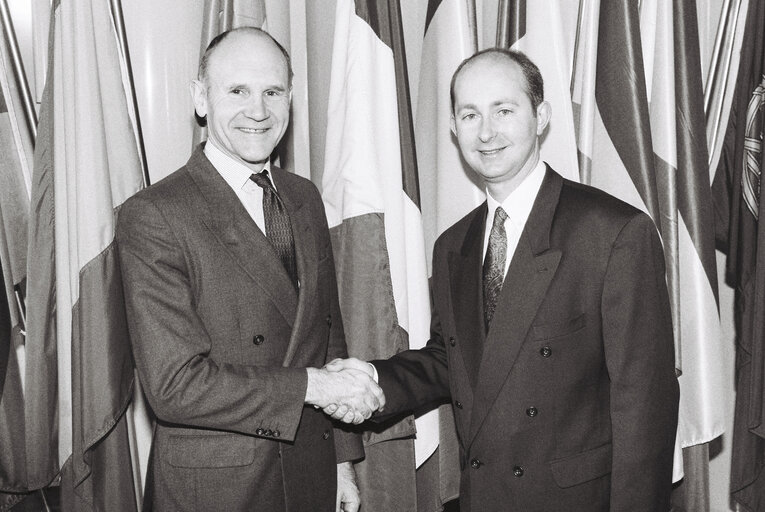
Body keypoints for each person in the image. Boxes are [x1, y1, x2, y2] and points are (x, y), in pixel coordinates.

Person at [327, 48, 680, 511]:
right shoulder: (454, 244)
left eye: (504, 110)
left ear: (541, 116)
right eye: (470, 114)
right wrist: (374, 379)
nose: (487, 132)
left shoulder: (613, 232)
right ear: (454, 128)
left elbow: (645, 407)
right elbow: (454, 362)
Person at [116, 27, 384, 512]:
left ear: (290, 98)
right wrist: (317, 386)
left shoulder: (303, 197)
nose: (257, 111)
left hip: (309, 471)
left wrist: (342, 463)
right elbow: (175, 386)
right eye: (237, 90)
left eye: (272, 92)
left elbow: (327, 335)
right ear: (201, 98)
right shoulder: (154, 214)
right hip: (218, 489)